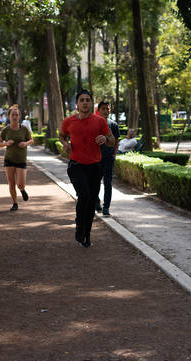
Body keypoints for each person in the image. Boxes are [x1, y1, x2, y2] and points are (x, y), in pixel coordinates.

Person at [59, 90, 116, 247]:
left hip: (94, 167)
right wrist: (65, 143)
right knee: (84, 196)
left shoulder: (99, 121)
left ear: (91, 103)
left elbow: (112, 140)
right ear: (77, 103)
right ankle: (79, 227)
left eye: (88, 100)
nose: (85, 102)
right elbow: (61, 135)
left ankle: (87, 234)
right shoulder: (68, 121)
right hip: (76, 165)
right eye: (82, 100)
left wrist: (105, 138)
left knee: (91, 200)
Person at [0, 105, 33, 211]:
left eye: (16, 115)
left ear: (19, 117)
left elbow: (31, 140)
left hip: (21, 159)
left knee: (20, 183)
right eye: (12, 115)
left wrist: (25, 143)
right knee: (11, 183)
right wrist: (6, 143)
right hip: (9, 159)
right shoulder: (6, 130)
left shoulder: (24, 129)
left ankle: (22, 190)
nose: (14, 116)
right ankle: (15, 203)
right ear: (9, 116)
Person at [94, 101, 120, 215]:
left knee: (108, 183)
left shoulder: (113, 125)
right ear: (98, 111)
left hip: (109, 158)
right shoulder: (94, 124)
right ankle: (96, 203)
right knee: (95, 182)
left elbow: (116, 141)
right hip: (96, 159)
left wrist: (114, 155)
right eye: (103, 109)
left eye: (108, 109)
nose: (106, 111)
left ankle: (106, 208)